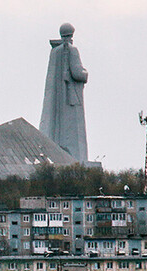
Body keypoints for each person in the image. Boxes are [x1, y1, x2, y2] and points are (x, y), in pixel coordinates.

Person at [40, 22, 89, 164]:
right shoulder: (72, 50)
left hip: (58, 103)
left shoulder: (55, 52)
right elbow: (78, 73)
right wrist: (85, 73)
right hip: (71, 100)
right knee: (74, 135)